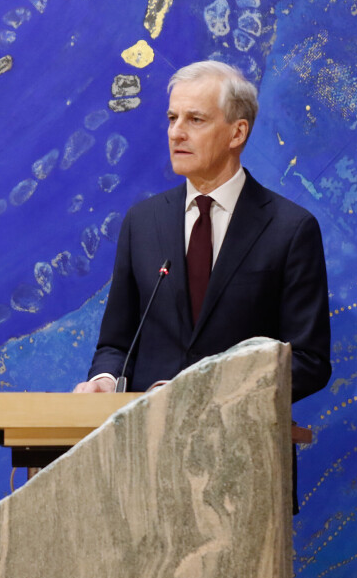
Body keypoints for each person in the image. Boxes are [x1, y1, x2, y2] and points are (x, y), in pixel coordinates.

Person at [74, 60, 331, 401]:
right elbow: (116, 343)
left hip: (241, 445)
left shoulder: (291, 229)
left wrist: (202, 392)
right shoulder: (142, 222)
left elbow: (308, 361)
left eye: (195, 120)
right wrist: (106, 379)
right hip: (145, 443)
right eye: (172, 118)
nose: (176, 132)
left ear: (236, 133)